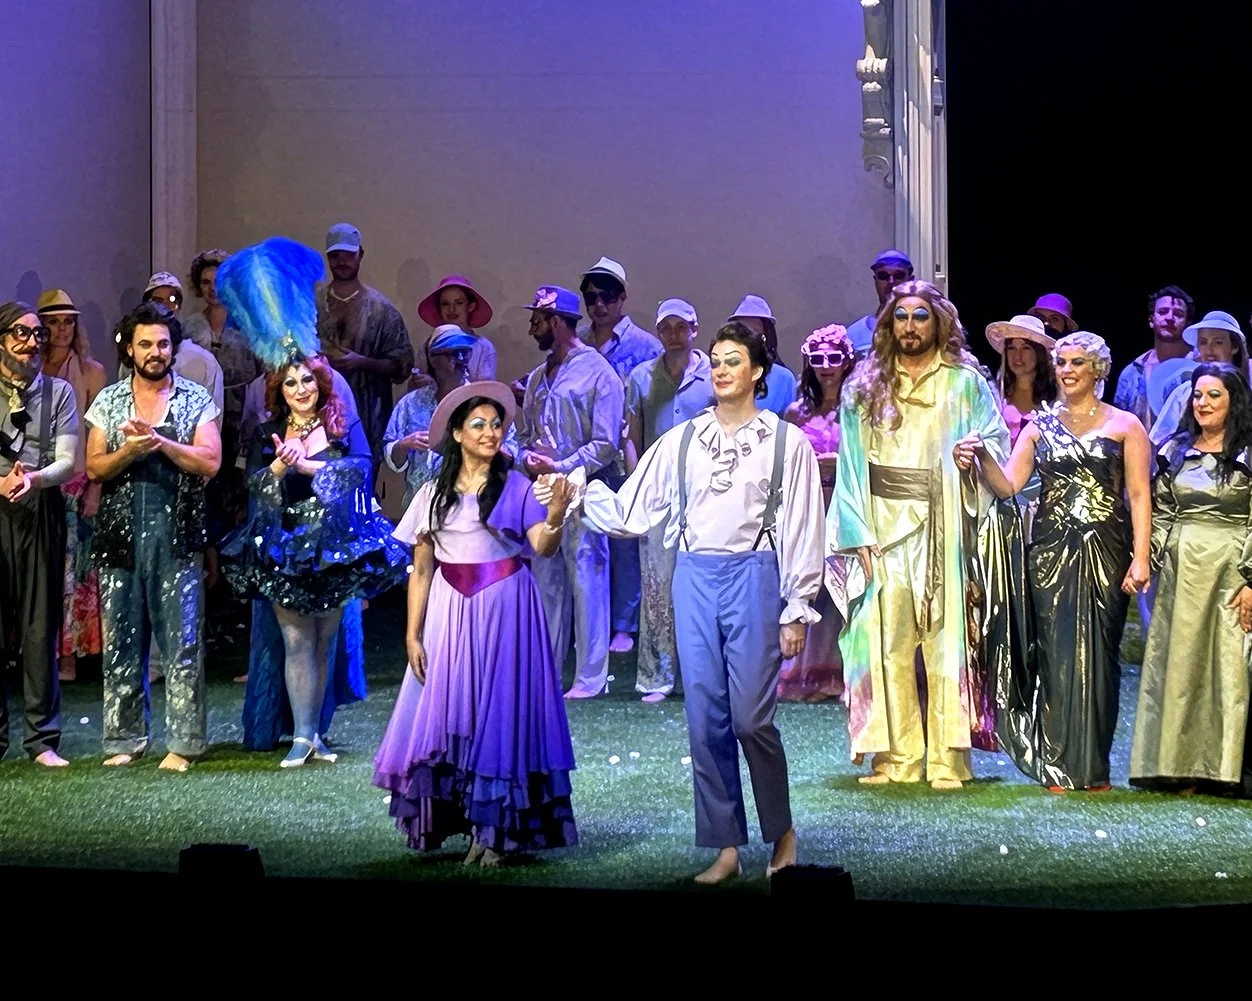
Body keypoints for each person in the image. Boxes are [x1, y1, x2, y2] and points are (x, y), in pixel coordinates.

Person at [569, 320, 824, 883]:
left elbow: (804, 525)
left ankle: (781, 830)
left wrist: (796, 607)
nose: (722, 369)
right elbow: (633, 509)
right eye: (717, 360)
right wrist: (578, 494)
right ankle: (726, 846)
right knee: (705, 718)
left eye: (734, 360)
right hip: (695, 577)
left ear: (757, 371)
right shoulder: (684, 440)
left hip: (754, 575)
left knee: (751, 719)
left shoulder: (786, 442)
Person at [217, 238, 410, 768]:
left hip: (335, 547)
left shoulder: (340, 429)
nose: (301, 388)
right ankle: (300, 736)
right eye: (292, 382)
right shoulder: (268, 434)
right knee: (296, 641)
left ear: (321, 385)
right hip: (288, 547)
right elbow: (256, 488)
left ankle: (316, 734)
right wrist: (282, 467)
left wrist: (311, 468)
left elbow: (361, 469)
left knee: (324, 642)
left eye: (307, 380)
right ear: (280, 390)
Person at [373, 382, 579, 865]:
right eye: (479, 424)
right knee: (455, 715)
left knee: (501, 713)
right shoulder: (432, 494)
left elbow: (542, 547)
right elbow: (422, 569)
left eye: (496, 424)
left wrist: (556, 515)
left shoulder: (515, 486)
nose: (491, 433)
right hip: (450, 612)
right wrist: (412, 634)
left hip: (507, 609)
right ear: (458, 434)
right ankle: (470, 826)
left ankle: (496, 833)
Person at [957, 331, 1152, 791]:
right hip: (1050, 550)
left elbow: (1139, 495)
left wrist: (1141, 557)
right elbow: (1008, 487)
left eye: (1077, 363)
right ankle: (1056, 764)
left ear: (1098, 370)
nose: (1066, 371)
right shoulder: (1038, 426)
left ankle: (1093, 768)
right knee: (1056, 655)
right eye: (1061, 362)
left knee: (1100, 657)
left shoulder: (1126, 425)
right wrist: (980, 455)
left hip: (1106, 548)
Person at [832, 280, 1008, 789]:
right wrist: (856, 532)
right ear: (889, 324)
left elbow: (995, 440)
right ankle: (898, 757)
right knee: (886, 644)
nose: (910, 326)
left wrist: (975, 455)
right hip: (883, 530)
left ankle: (948, 760)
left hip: (944, 525)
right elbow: (850, 465)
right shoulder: (864, 386)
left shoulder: (964, 383)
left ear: (939, 323)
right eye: (902, 316)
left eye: (920, 316)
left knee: (946, 643)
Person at [85, 301, 221, 771]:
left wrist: (160, 442)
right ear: (129, 348)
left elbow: (210, 461)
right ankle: (124, 738)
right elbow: (94, 467)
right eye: (145, 344)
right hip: (119, 535)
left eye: (163, 343)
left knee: (182, 641)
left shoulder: (195, 399)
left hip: (176, 533)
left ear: (173, 348)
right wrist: (129, 451)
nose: (155, 351)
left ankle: (183, 743)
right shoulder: (109, 400)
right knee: (121, 640)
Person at [1131, 363, 1252, 793]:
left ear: (1234, 401)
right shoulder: (1176, 451)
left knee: (1229, 668)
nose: (1203, 403)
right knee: (1181, 664)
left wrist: (1251, 579)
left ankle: (1223, 769)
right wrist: (1145, 560)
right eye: (1198, 395)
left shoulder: (1248, 454)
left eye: (1214, 395)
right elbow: (1163, 511)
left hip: (1232, 569)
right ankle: (1176, 765)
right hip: (1182, 572)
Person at [515, 285, 623, 699]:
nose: (532, 328)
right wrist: (526, 456)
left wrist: (560, 465)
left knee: (587, 581)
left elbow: (606, 442)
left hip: (583, 491)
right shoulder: (538, 376)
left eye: (537, 320)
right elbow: (526, 434)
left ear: (557, 322)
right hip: (544, 494)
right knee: (547, 582)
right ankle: (546, 671)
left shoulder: (599, 372)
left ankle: (590, 678)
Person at [621, 297, 715, 701]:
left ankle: (702, 675)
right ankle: (657, 676)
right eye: (666, 328)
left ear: (695, 329)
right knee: (657, 585)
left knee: (702, 584)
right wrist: (637, 485)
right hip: (658, 493)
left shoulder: (714, 374)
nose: (673, 335)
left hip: (707, 492)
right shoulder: (641, 377)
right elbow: (631, 435)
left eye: (681, 327)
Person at [0, 302, 77, 767]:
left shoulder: (59, 392)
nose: (32, 343)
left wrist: (33, 478)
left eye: (37, 335)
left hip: (40, 506)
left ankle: (41, 740)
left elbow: (68, 460)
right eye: (21, 334)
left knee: (39, 627)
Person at [578, 256, 662, 655]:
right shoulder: (577, 341)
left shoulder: (645, 346)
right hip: (584, 455)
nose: (599, 305)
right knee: (587, 541)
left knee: (626, 541)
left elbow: (653, 404)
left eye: (607, 296)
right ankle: (590, 620)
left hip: (625, 455)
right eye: (592, 297)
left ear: (622, 298)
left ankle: (625, 624)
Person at [777, 323, 855, 703]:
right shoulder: (797, 412)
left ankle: (845, 675)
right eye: (819, 359)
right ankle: (808, 673)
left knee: (845, 585)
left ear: (846, 362)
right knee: (811, 582)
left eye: (834, 358)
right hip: (810, 504)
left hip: (845, 503)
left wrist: (840, 463)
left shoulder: (857, 410)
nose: (826, 366)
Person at [37, 289, 106, 683]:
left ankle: (70, 658)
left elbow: (100, 434)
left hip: (77, 483)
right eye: (54, 321)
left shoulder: (91, 371)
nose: (62, 329)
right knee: (43, 571)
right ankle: (38, 652)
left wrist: (95, 486)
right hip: (37, 481)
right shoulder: (30, 368)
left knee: (75, 575)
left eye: (68, 321)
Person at [316, 222, 414, 467]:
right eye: (335, 256)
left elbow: (402, 366)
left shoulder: (382, 310)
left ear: (360, 254)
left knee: (363, 483)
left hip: (369, 419)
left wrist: (363, 363)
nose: (342, 262)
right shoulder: (311, 306)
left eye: (348, 255)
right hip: (316, 419)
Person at [384, 324, 474, 509]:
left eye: (465, 352)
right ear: (434, 359)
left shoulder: (482, 403)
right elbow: (391, 455)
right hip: (419, 508)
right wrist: (405, 445)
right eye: (452, 353)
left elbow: (510, 450)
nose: (461, 360)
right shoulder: (411, 403)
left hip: (469, 509)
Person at [138, 272, 225, 425]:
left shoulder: (203, 360)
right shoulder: (134, 357)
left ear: (179, 306)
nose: (165, 306)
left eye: (172, 299)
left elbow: (214, 418)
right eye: (157, 300)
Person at [1150, 311, 1249, 445]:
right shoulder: (1184, 393)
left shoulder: (1248, 388)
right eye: (1203, 342)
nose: (1209, 350)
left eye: (1218, 342)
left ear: (1235, 347)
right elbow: (1161, 438)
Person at [1114, 285, 1194, 428]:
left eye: (1178, 314)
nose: (1169, 318)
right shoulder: (1132, 373)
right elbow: (1119, 424)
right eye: (1162, 312)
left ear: (1188, 323)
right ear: (1151, 320)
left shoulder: (1200, 368)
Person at [985, 314, 1058, 447]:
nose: (1017, 356)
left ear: (1039, 353)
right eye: (1011, 348)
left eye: (1026, 348)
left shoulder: (1056, 398)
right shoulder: (995, 396)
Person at [416, 275, 497, 380]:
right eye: (445, 304)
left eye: (459, 303)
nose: (451, 309)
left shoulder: (484, 347)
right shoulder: (428, 346)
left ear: (470, 306)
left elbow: (485, 387)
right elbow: (418, 383)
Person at [728, 295, 797, 415]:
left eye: (754, 332)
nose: (747, 338)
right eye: (742, 331)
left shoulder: (784, 379)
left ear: (766, 336)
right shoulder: (722, 372)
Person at [845, 250, 915, 357]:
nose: (891, 282)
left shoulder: (921, 330)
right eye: (883, 276)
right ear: (875, 281)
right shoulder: (855, 334)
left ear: (911, 280)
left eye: (898, 275)